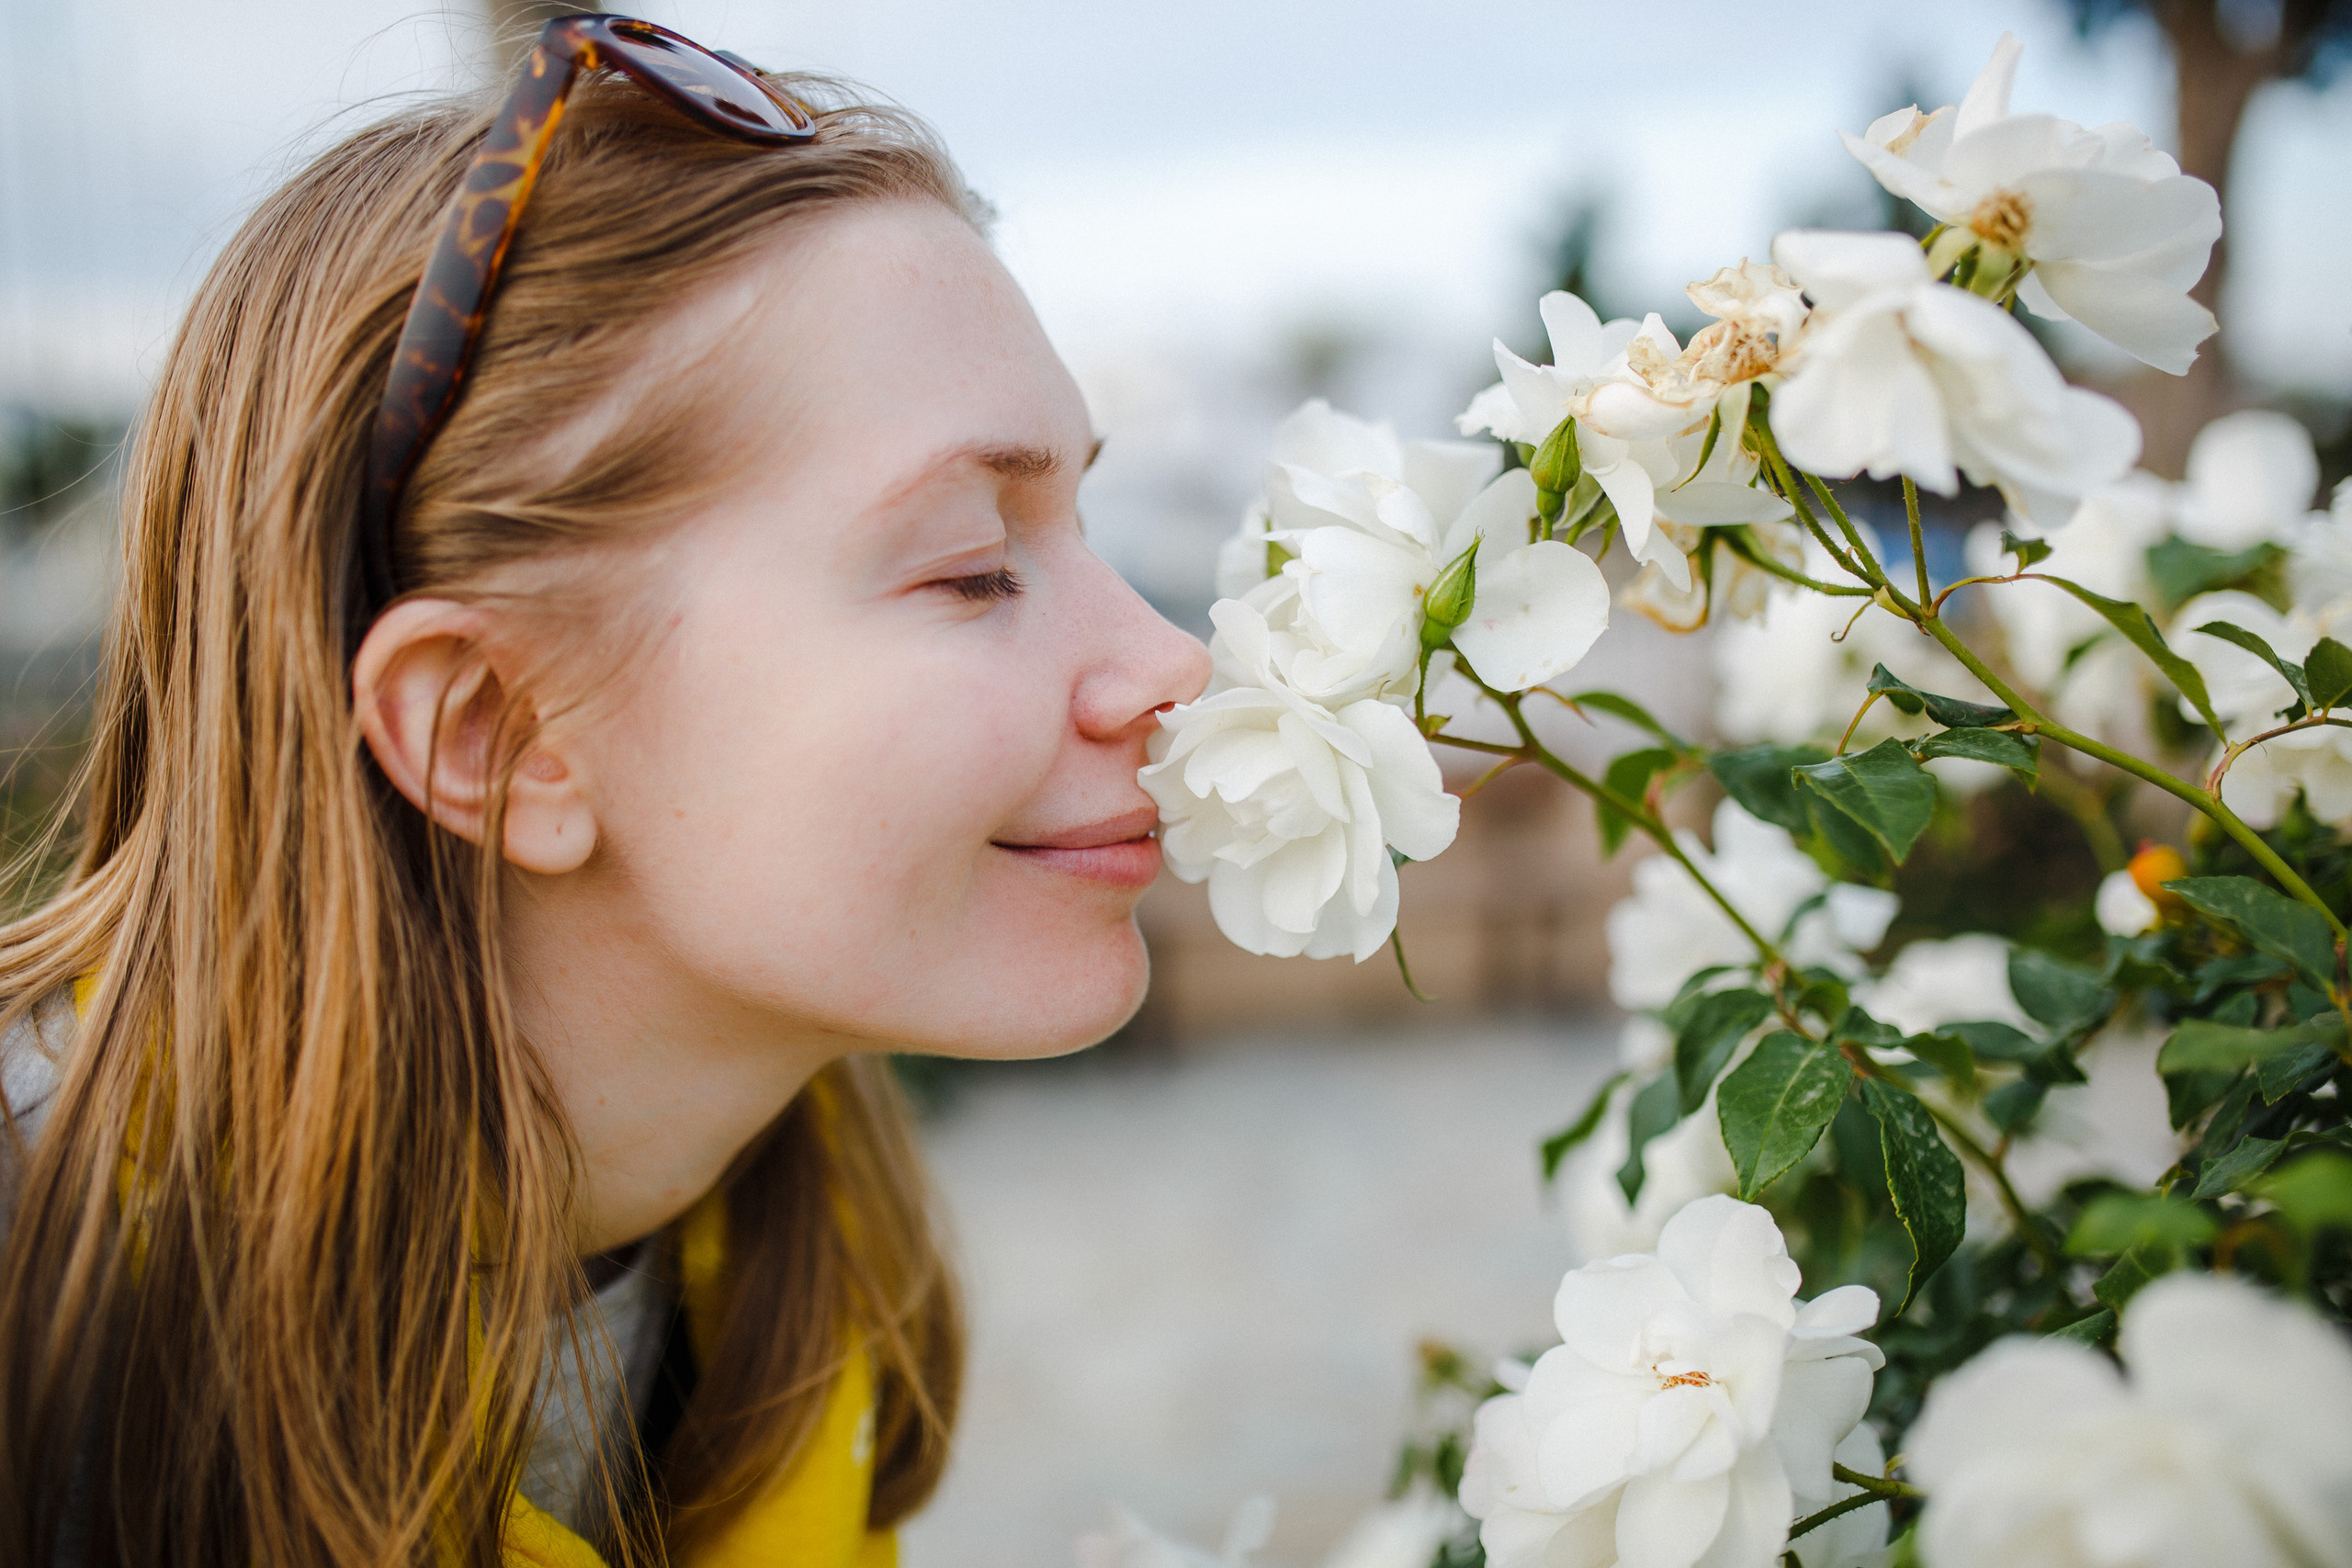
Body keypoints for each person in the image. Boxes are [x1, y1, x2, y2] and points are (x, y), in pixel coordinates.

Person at [0, 17, 1207, 1567]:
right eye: (974, 570)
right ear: (498, 733)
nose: (1169, 662)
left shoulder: (801, 1270)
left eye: (1084, 531)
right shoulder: (45, 1327)